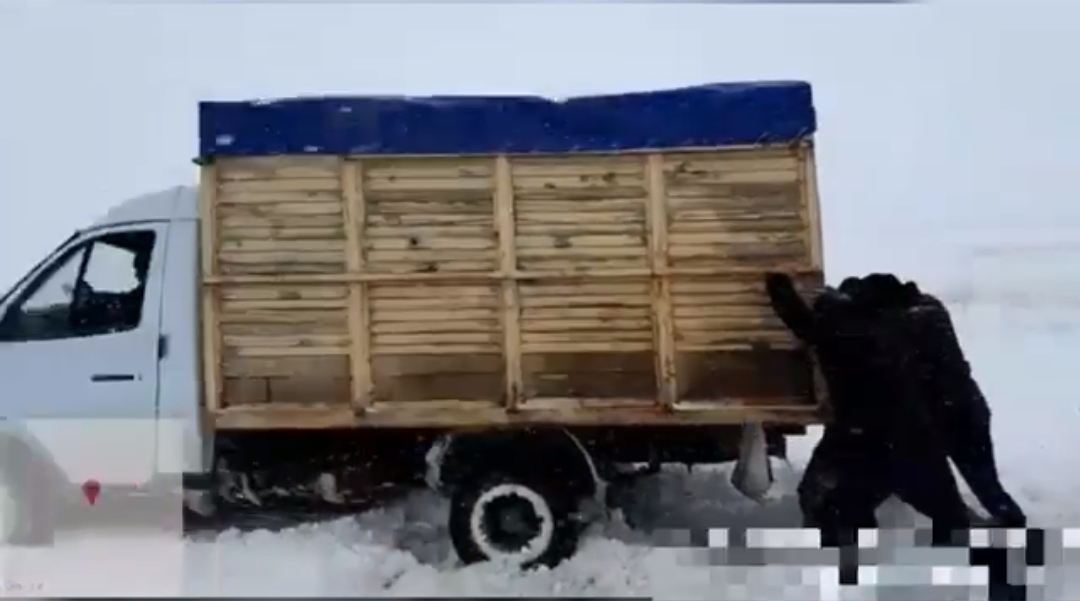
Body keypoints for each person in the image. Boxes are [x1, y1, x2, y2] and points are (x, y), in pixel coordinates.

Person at [764, 272, 974, 586]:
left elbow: (800, 321)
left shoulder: (838, 332)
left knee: (835, 506)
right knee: (948, 514)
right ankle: (959, 570)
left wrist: (777, 287)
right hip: (914, 439)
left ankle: (851, 574)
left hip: (866, 441)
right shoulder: (893, 328)